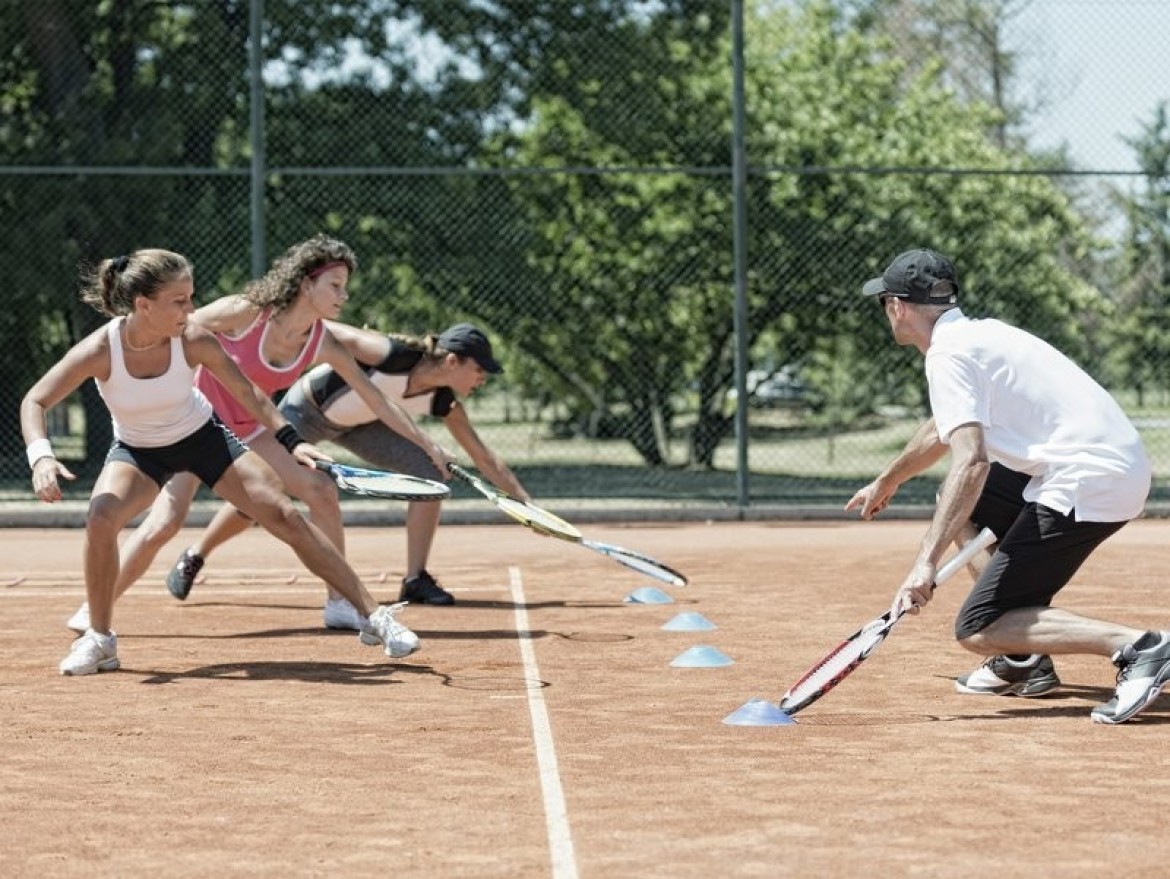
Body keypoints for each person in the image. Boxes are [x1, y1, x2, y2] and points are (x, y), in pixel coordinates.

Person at [22, 248, 419, 675]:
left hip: (203, 438)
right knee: (101, 516)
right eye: (180, 301)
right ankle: (100, 639)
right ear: (143, 305)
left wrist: (292, 442)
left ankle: (374, 616)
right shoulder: (101, 348)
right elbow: (36, 399)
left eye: (191, 297)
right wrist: (41, 456)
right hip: (139, 452)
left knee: (283, 513)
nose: (191, 309)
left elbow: (249, 394)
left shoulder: (193, 339)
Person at [845, 247, 1170, 725]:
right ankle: (1024, 658)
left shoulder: (949, 356)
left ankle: (1140, 648)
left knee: (977, 627)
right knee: (955, 503)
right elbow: (943, 429)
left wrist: (924, 565)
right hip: (1102, 464)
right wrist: (888, 479)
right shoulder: (978, 337)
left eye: (884, 304)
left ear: (897, 306)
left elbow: (972, 463)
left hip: (1089, 478)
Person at [163, 321, 529, 608]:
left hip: (359, 427)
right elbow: (328, 332)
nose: (483, 378)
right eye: (480, 370)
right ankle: (196, 555)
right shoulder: (391, 354)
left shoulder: (443, 401)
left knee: (431, 475)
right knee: (266, 490)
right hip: (305, 411)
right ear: (453, 361)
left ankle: (415, 578)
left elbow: (484, 457)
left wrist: (526, 506)